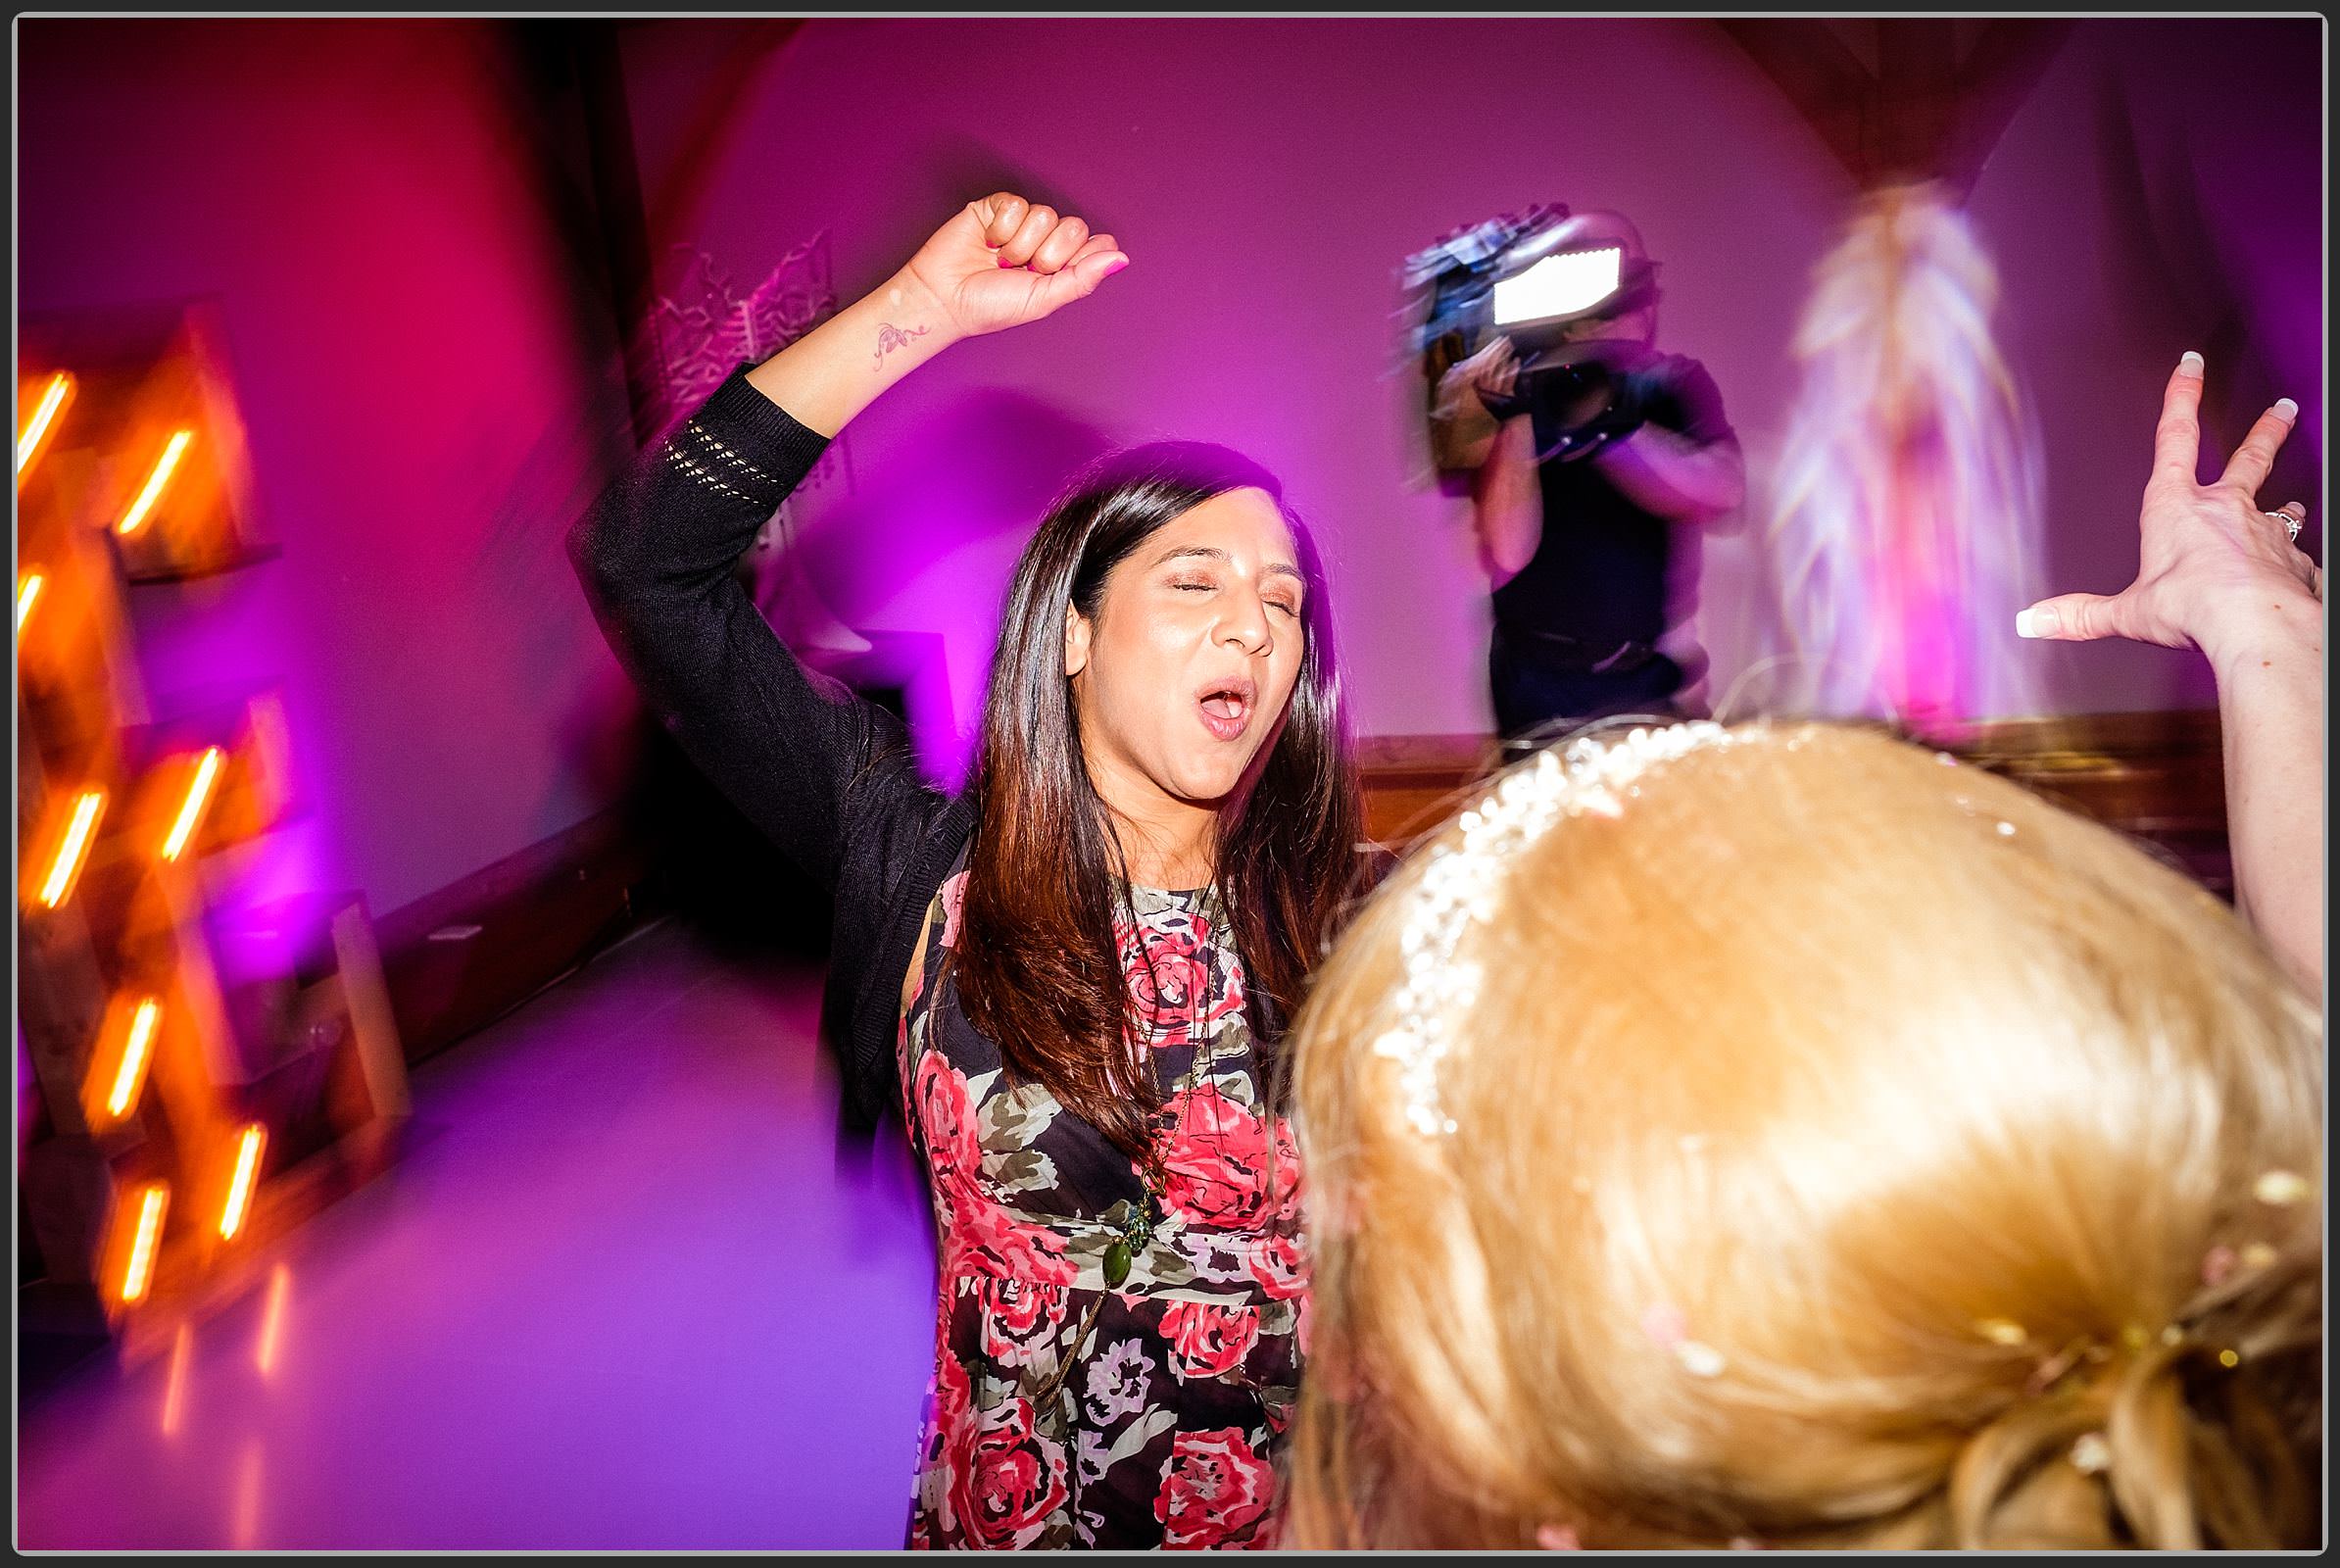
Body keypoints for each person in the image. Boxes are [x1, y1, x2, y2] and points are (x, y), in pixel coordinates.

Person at [1281, 356, 2322, 1550]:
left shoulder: (1660, 387)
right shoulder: (1526, 410)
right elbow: (1505, 548)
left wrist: (1603, 412)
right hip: (1535, 746)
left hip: (1648, 730)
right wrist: (2265, 632)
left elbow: (1698, 484)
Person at [568, 193, 1363, 1549]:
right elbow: (647, 564)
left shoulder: (1356, 919)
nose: (1253, 622)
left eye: (1282, 599)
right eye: (1194, 582)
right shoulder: (921, 866)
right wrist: (913, 313)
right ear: (1071, 632)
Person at [1421, 209, 1746, 741]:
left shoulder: (1669, 385)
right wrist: (1520, 415)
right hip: (1538, 690)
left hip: (1645, 683)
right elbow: (1508, 551)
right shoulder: (1516, 395)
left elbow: (1721, 490)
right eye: (1622, 288)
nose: (1643, 301)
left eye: (1641, 279)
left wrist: (1613, 430)